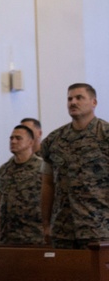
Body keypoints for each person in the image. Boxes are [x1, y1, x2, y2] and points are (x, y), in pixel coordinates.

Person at [40, 84, 109, 251]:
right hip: (63, 229)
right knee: (65, 276)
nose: (73, 102)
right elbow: (48, 184)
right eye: (70, 98)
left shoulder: (105, 134)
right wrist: (46, 224)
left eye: (79, 98)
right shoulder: (54, 140)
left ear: (94, 102)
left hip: (99, 227)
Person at [0, 125, 43, 245]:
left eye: (18, 138)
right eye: (11, 138)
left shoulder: (42, 168)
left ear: (31, 142)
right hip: (7, 238)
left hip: (34, 236)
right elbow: (0, 202)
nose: (13, 141)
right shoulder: (4, 169)